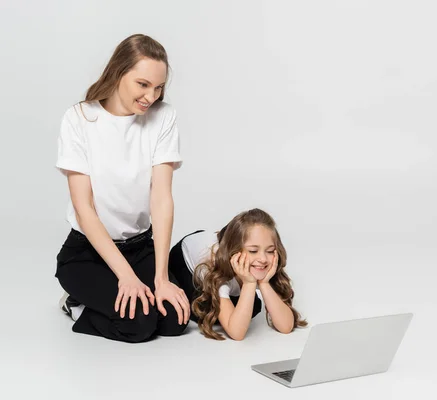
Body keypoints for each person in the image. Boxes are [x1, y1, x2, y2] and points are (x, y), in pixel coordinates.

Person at [55, 34, 190, 343]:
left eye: (158, 87)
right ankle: (74, 303)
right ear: (118, 73)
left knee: (173, 320)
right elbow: (84, 208)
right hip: (88, 253)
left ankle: (128, 290)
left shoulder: (163, 117)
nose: (151, 97)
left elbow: (161, 198)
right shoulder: (78, 119)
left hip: (139, 247)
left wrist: (160, 277)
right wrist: (126, 278)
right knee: (140, 325)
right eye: (142, 84)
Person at [168, 208, 307, 340]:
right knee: (207, 310)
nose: (263, 259)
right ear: (234, 252)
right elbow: (237, 333)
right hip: (184, 266)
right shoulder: (216, 267)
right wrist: (249, 283)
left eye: (270, 251)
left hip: (220, 245)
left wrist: (264, 283)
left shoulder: (265, 264)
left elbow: (286, 326)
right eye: (253, 251)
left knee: (252, 307)